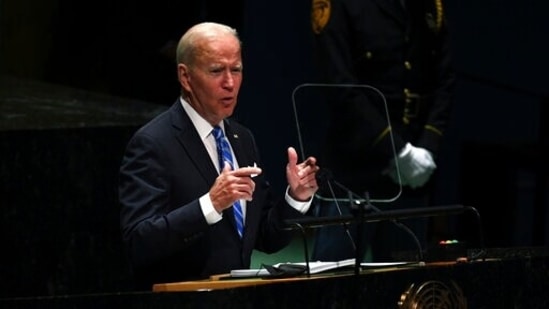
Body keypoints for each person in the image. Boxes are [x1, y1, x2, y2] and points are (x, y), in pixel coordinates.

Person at [118, 22, 320, 290]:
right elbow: (138, 242)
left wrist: (296, 198)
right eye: (216, 71)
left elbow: (265, 237)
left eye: (236, 70)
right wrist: (210, 205)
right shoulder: (153, 143)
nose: (230, 83)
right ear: (185, 77)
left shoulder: (242, 139)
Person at [309, 0, 456, 262]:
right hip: (354, 169)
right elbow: (339, 85)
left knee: (404, 289)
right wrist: (397, 150)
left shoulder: (428, 6)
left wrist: (427, 147)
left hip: (411, 174)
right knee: (332, 287)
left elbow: (443, 81)